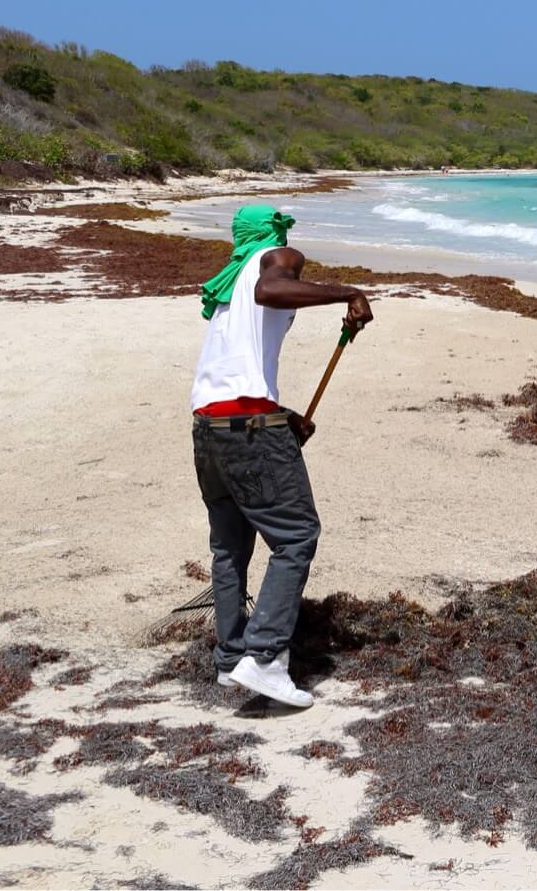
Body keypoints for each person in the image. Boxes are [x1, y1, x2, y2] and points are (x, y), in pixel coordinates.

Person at [190, 205, 373, 708]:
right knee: (296, 536)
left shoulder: (228, 283)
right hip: (249, 430)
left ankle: (230, 660)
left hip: (209, 428)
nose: (294, 255)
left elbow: (233, 375)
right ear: (273, 235)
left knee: (230, 549)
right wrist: (347, 292)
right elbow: (270, 290)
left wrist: (284, 415)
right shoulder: (274, 259)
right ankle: (266, 658)